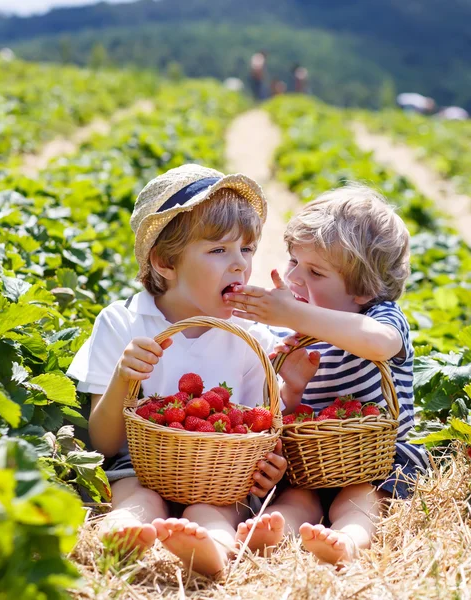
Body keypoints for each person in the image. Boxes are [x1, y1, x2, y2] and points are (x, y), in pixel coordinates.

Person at [67, 164, 319, 577]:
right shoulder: (122, 324)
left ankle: (213, 549)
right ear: (165, 262)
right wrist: (123, 380)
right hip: (140, 466)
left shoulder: (249, 337)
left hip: (222, 476)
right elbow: (105, 444)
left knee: (215, 510)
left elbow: (259, 429)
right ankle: (122, 533)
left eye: (247, 249)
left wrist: (271, 462)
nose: (239, 265)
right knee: (135, 496)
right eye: (219, 250)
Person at [223, 183, 431, 565]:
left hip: (376, 461)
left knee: (360, 497)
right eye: (293, 262)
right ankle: (274, 532)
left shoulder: (379, 318)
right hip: (312, 464)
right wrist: (293, 389)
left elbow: (380, 343)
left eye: (316, 272)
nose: (296, 278)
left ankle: (349, 539)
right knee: (296, 498)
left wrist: (294, 314)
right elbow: (288, 414)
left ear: (364, 290)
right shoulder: (294, 337)